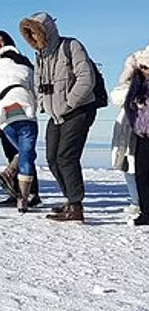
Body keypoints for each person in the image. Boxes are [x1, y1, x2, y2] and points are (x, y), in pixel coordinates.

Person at [20, 12, 101, 222]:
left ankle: (76, 207)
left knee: (66, 157)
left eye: (35, 32)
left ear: (46, 30)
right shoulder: (40, 55)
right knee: (52, 158)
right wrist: (43, 104)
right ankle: (70, 200)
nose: (34, 38)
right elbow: (38, 83)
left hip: (78, 110)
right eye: (30, 34)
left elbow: (86, 78)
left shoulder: (71, 46)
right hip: (55, 114)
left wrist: (68, 103)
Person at [0, 31, 41, 208]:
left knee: (25, 153)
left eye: (1, 41)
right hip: (3, 117)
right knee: (16, 154)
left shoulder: (21, 62)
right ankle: (15, 193)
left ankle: (32, 193)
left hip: (17, 113)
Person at [110, 44, 149, 226]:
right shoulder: (135, 86)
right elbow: (116, 97)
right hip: (139, 134)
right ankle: (144, 210)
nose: (145, 71)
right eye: (143, 67)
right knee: (139, 173)